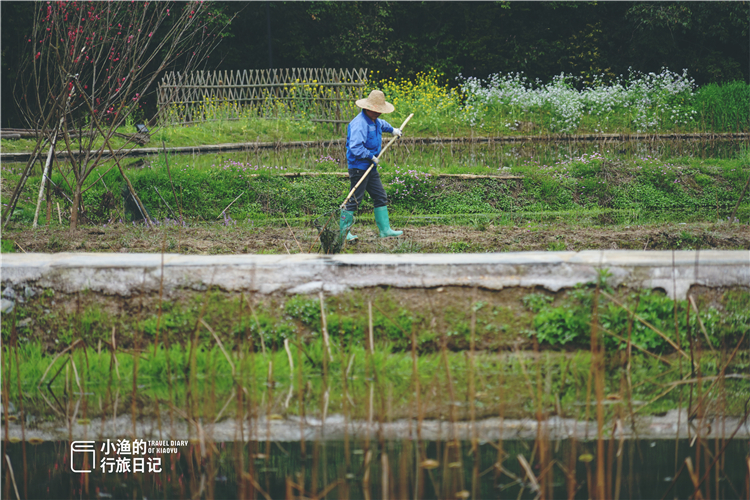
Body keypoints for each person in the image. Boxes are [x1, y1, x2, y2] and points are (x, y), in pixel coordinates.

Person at [340, 89, 403, 241]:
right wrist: (370, 156)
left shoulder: (375, 120)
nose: (378, 113)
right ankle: (343, 233)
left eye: (380, 111)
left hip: (370, 167)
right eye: (375, 111)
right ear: (367, 108)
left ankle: (385, 230)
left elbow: (382, 125)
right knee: (355, 199)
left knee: (380, 196)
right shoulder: (359, 124)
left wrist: (393, 130)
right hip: (359, 167)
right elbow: (355, 147)